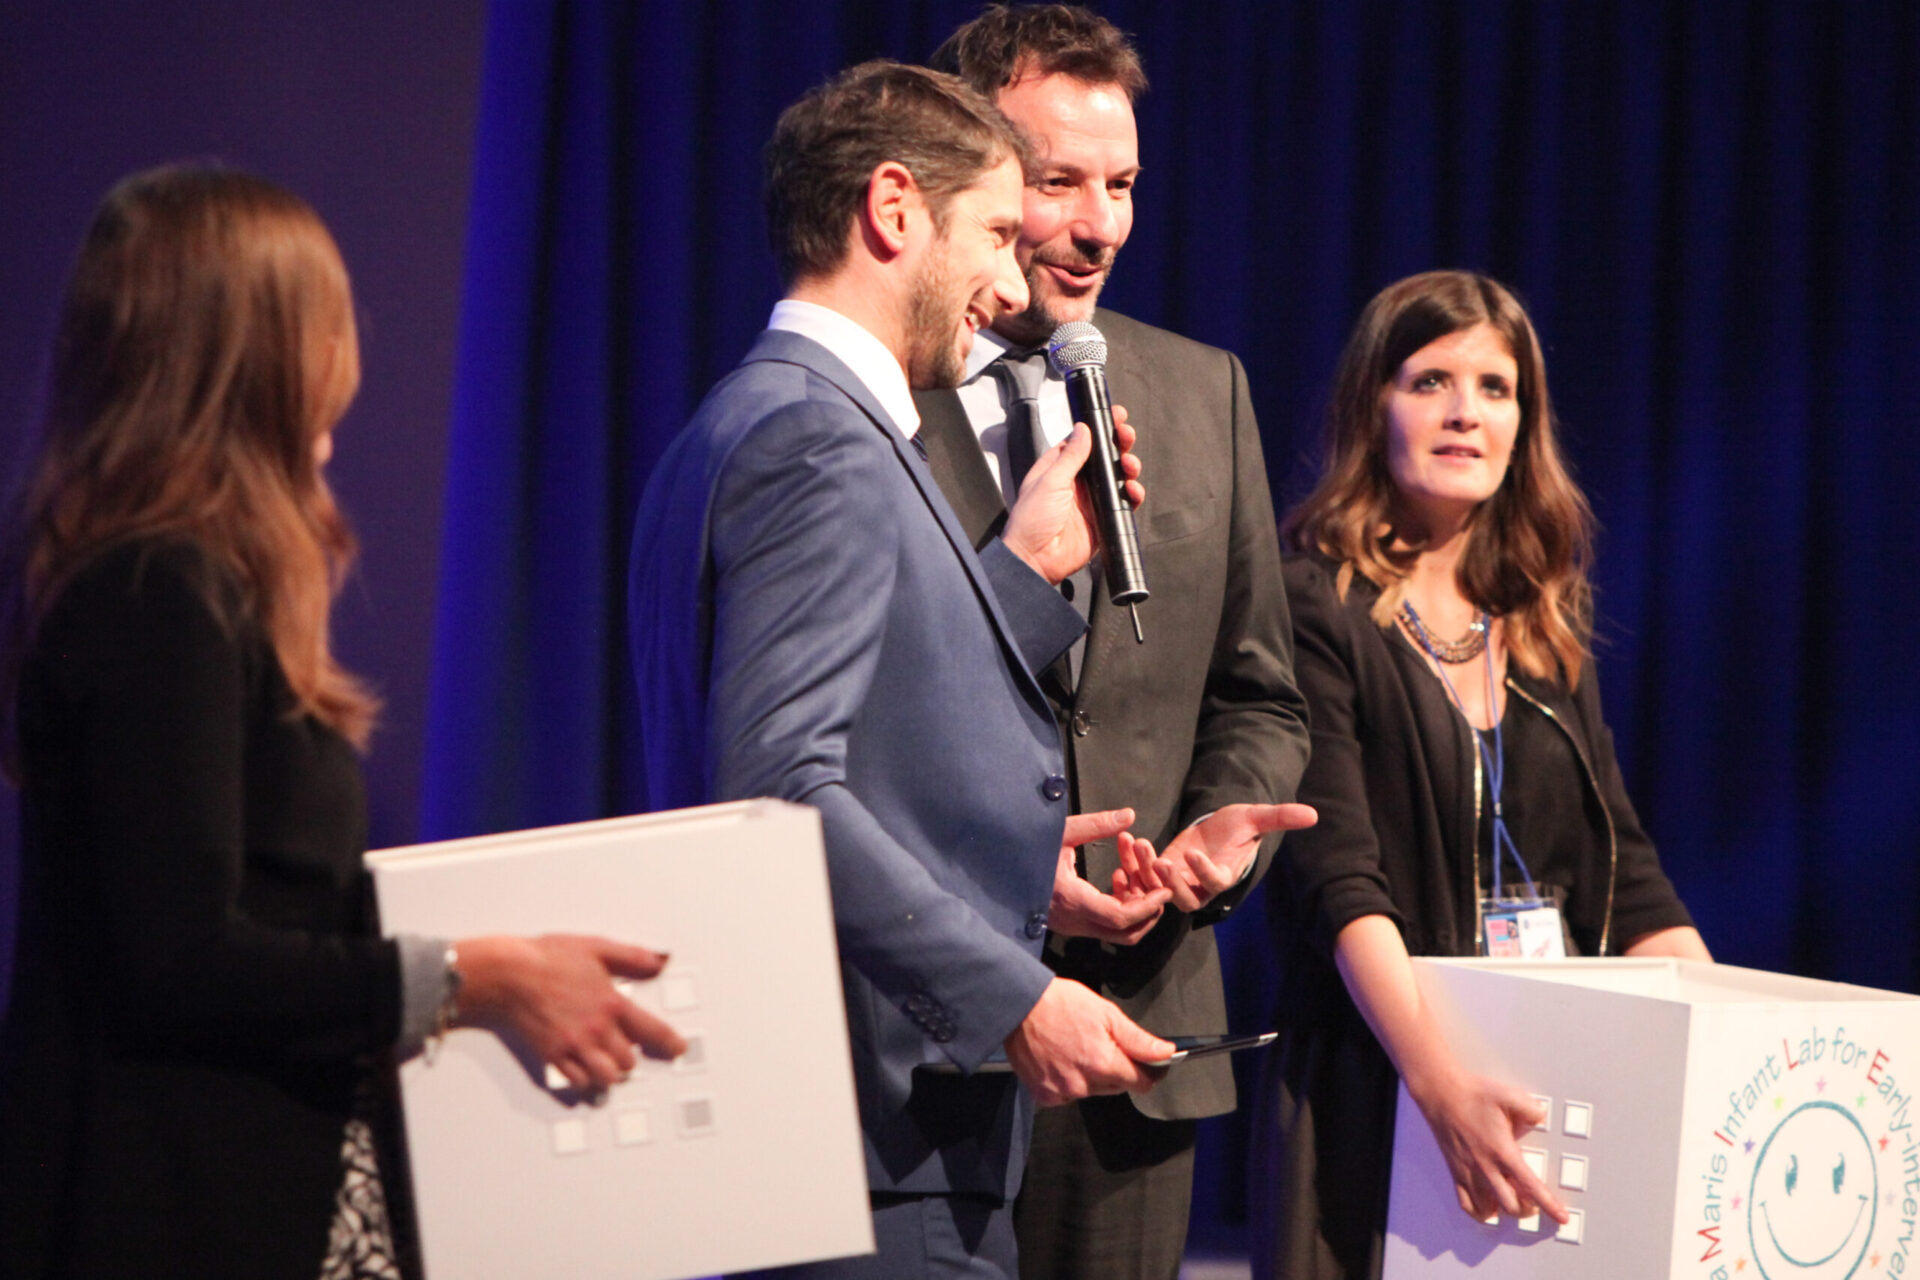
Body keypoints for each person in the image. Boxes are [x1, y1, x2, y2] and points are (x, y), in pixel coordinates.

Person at [0, 165, 686, 1280]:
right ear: (255, 355)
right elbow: (179, 960)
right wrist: (473, 974)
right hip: (184, 1210)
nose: (345, 355)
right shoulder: (156, 592)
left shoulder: (186, 582)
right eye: (324, 319)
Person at [628, 58, 1188, 1278]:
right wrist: (1016, 995)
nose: (1012, 282)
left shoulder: (752, 418)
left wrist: (1023, 580)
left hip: (845, 1133)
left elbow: (874, 724)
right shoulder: (814, 439)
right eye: (993, 232)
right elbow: (780, 789)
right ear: (893, 210)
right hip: (874, 1137)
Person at [918, 8, 1316, 1275]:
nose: (1103, 226)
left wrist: (1209, 849)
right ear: (971, 178)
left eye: (1124, 184)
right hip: (927, 1041)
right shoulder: (876, 393)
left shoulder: (1203, 391)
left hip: (1138, 1040)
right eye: (1060, 183)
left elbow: (1262, 695)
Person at [1250, 269, 1711, 1279]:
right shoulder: (1313, 605)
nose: (1466, 412)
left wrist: (1721, 1053)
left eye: (1495, 388)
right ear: (1372, 406)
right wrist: (1438, 1079)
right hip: (1382, 1081)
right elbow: (1337, 882)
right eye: (1431, 381)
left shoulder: (1541, 626)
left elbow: (1630, 876)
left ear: (1523, 424)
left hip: (1542, 1087)